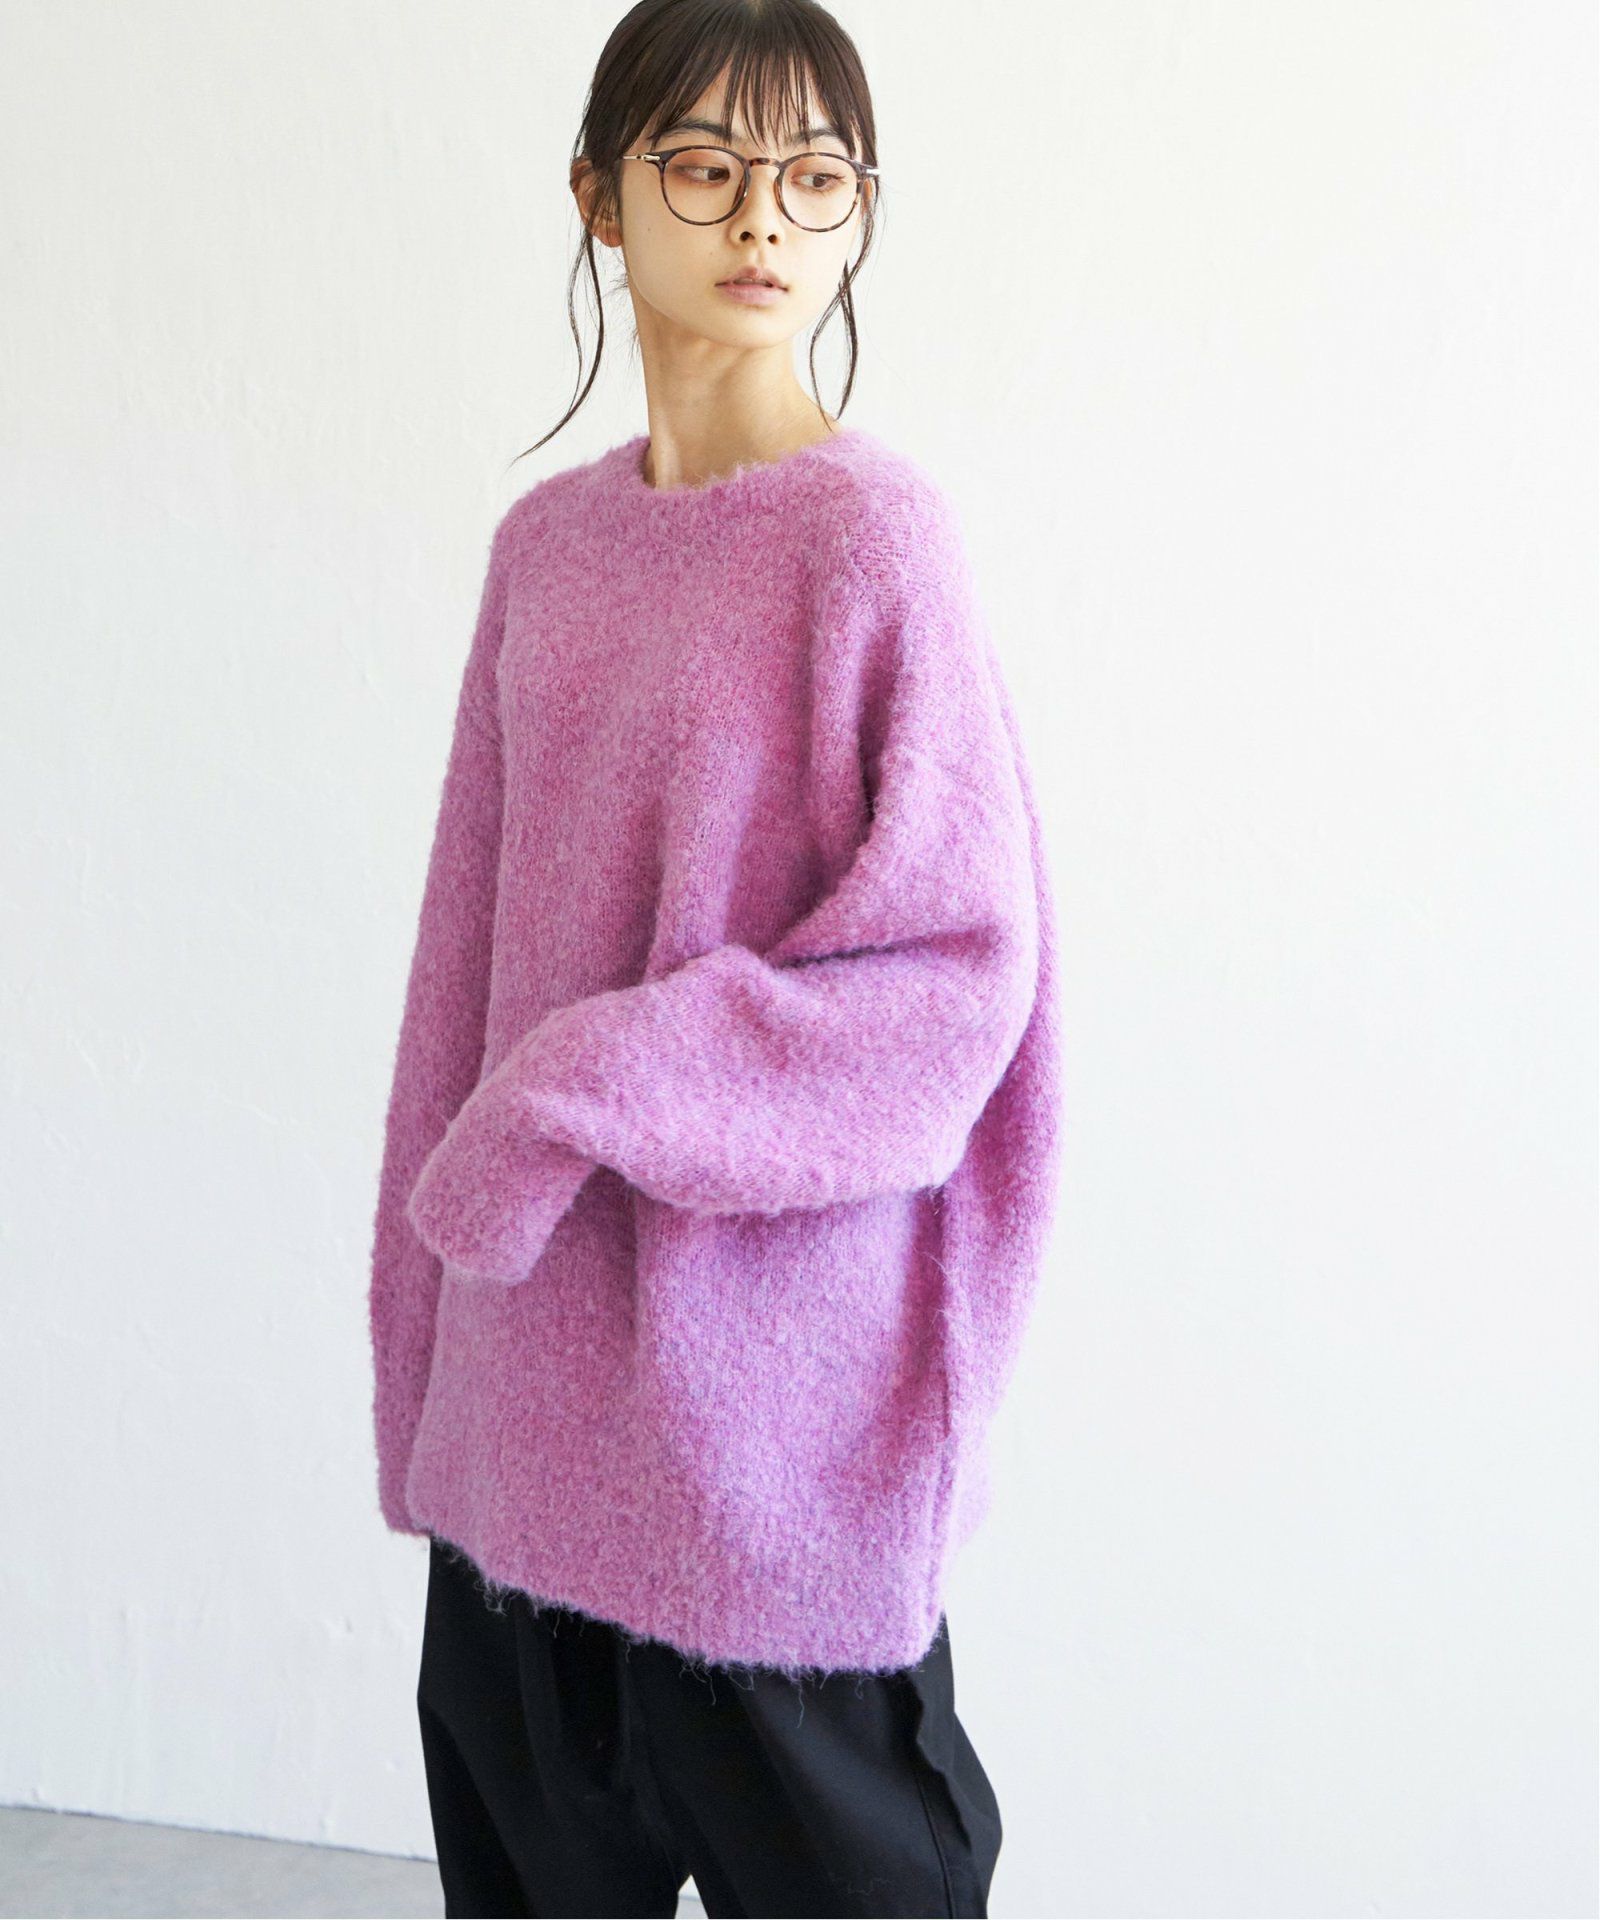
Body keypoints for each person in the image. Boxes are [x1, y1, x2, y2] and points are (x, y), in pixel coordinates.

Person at [367, 2, 1064, 1913]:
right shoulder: (546, 551)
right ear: (600, 198)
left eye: (816, 177)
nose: (764, 215)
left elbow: (952, 992)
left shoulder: (876, 543)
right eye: (705, 164)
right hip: (521, 1452)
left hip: (773, 1472)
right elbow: (457, 978)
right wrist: (424, 1383)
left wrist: (587, 1084)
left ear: (857, 218)